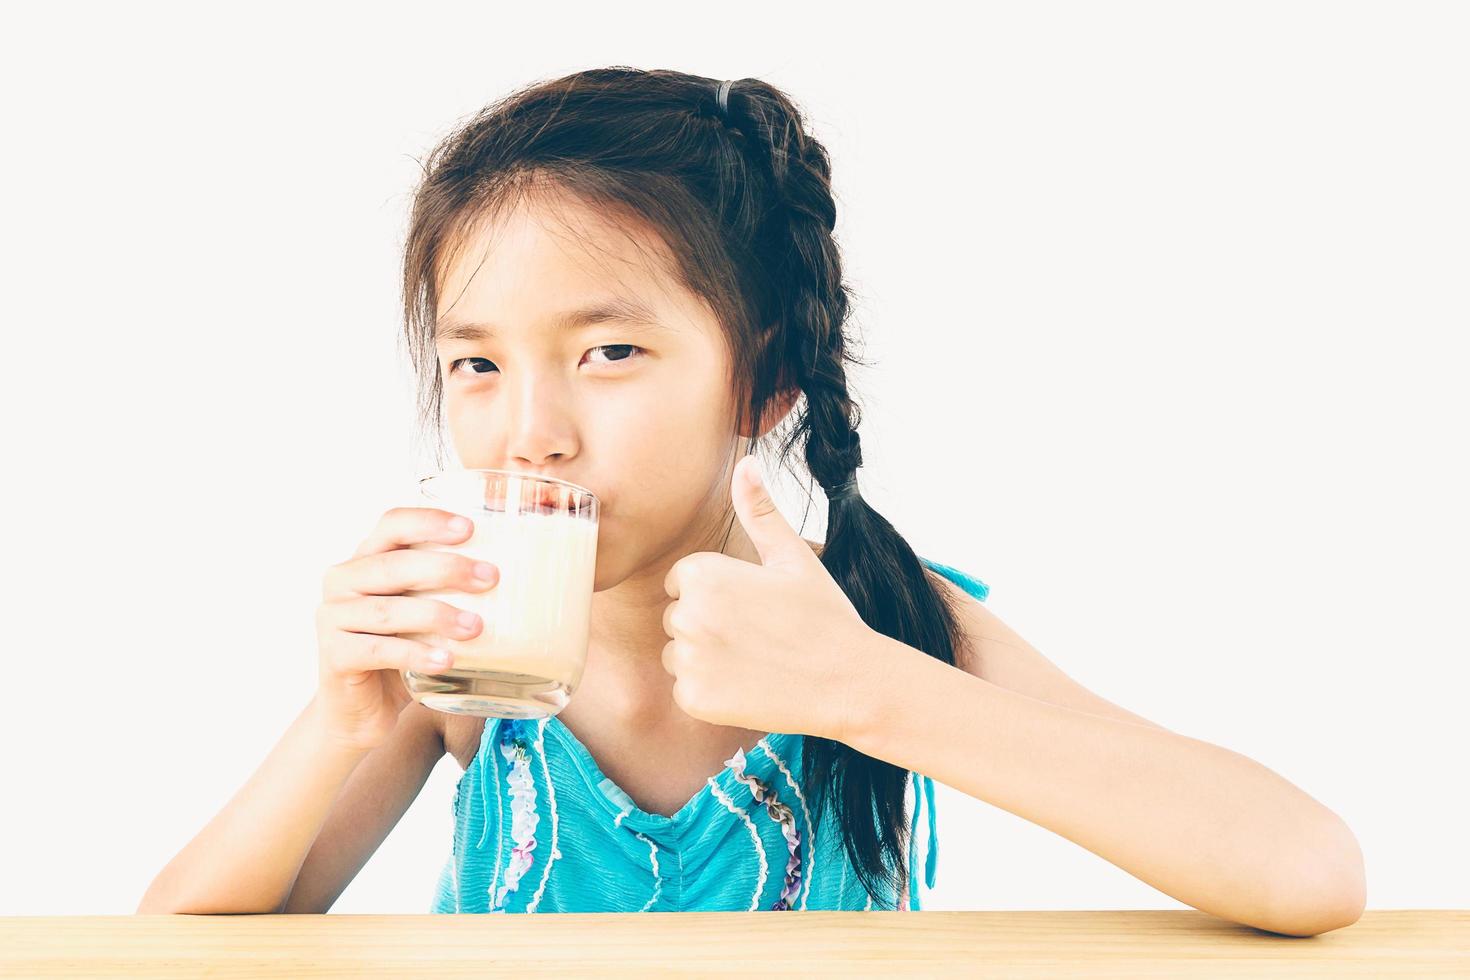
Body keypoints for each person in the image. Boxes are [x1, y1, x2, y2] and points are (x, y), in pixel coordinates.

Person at [138, 69, 1364, 933]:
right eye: (477, 363)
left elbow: (1306, 869)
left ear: (763, 381)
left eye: (609, 353)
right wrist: (342, 722)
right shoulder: (465, 666)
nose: (532, 430)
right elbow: (165, 945)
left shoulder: (875, 620)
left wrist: (870, 687)